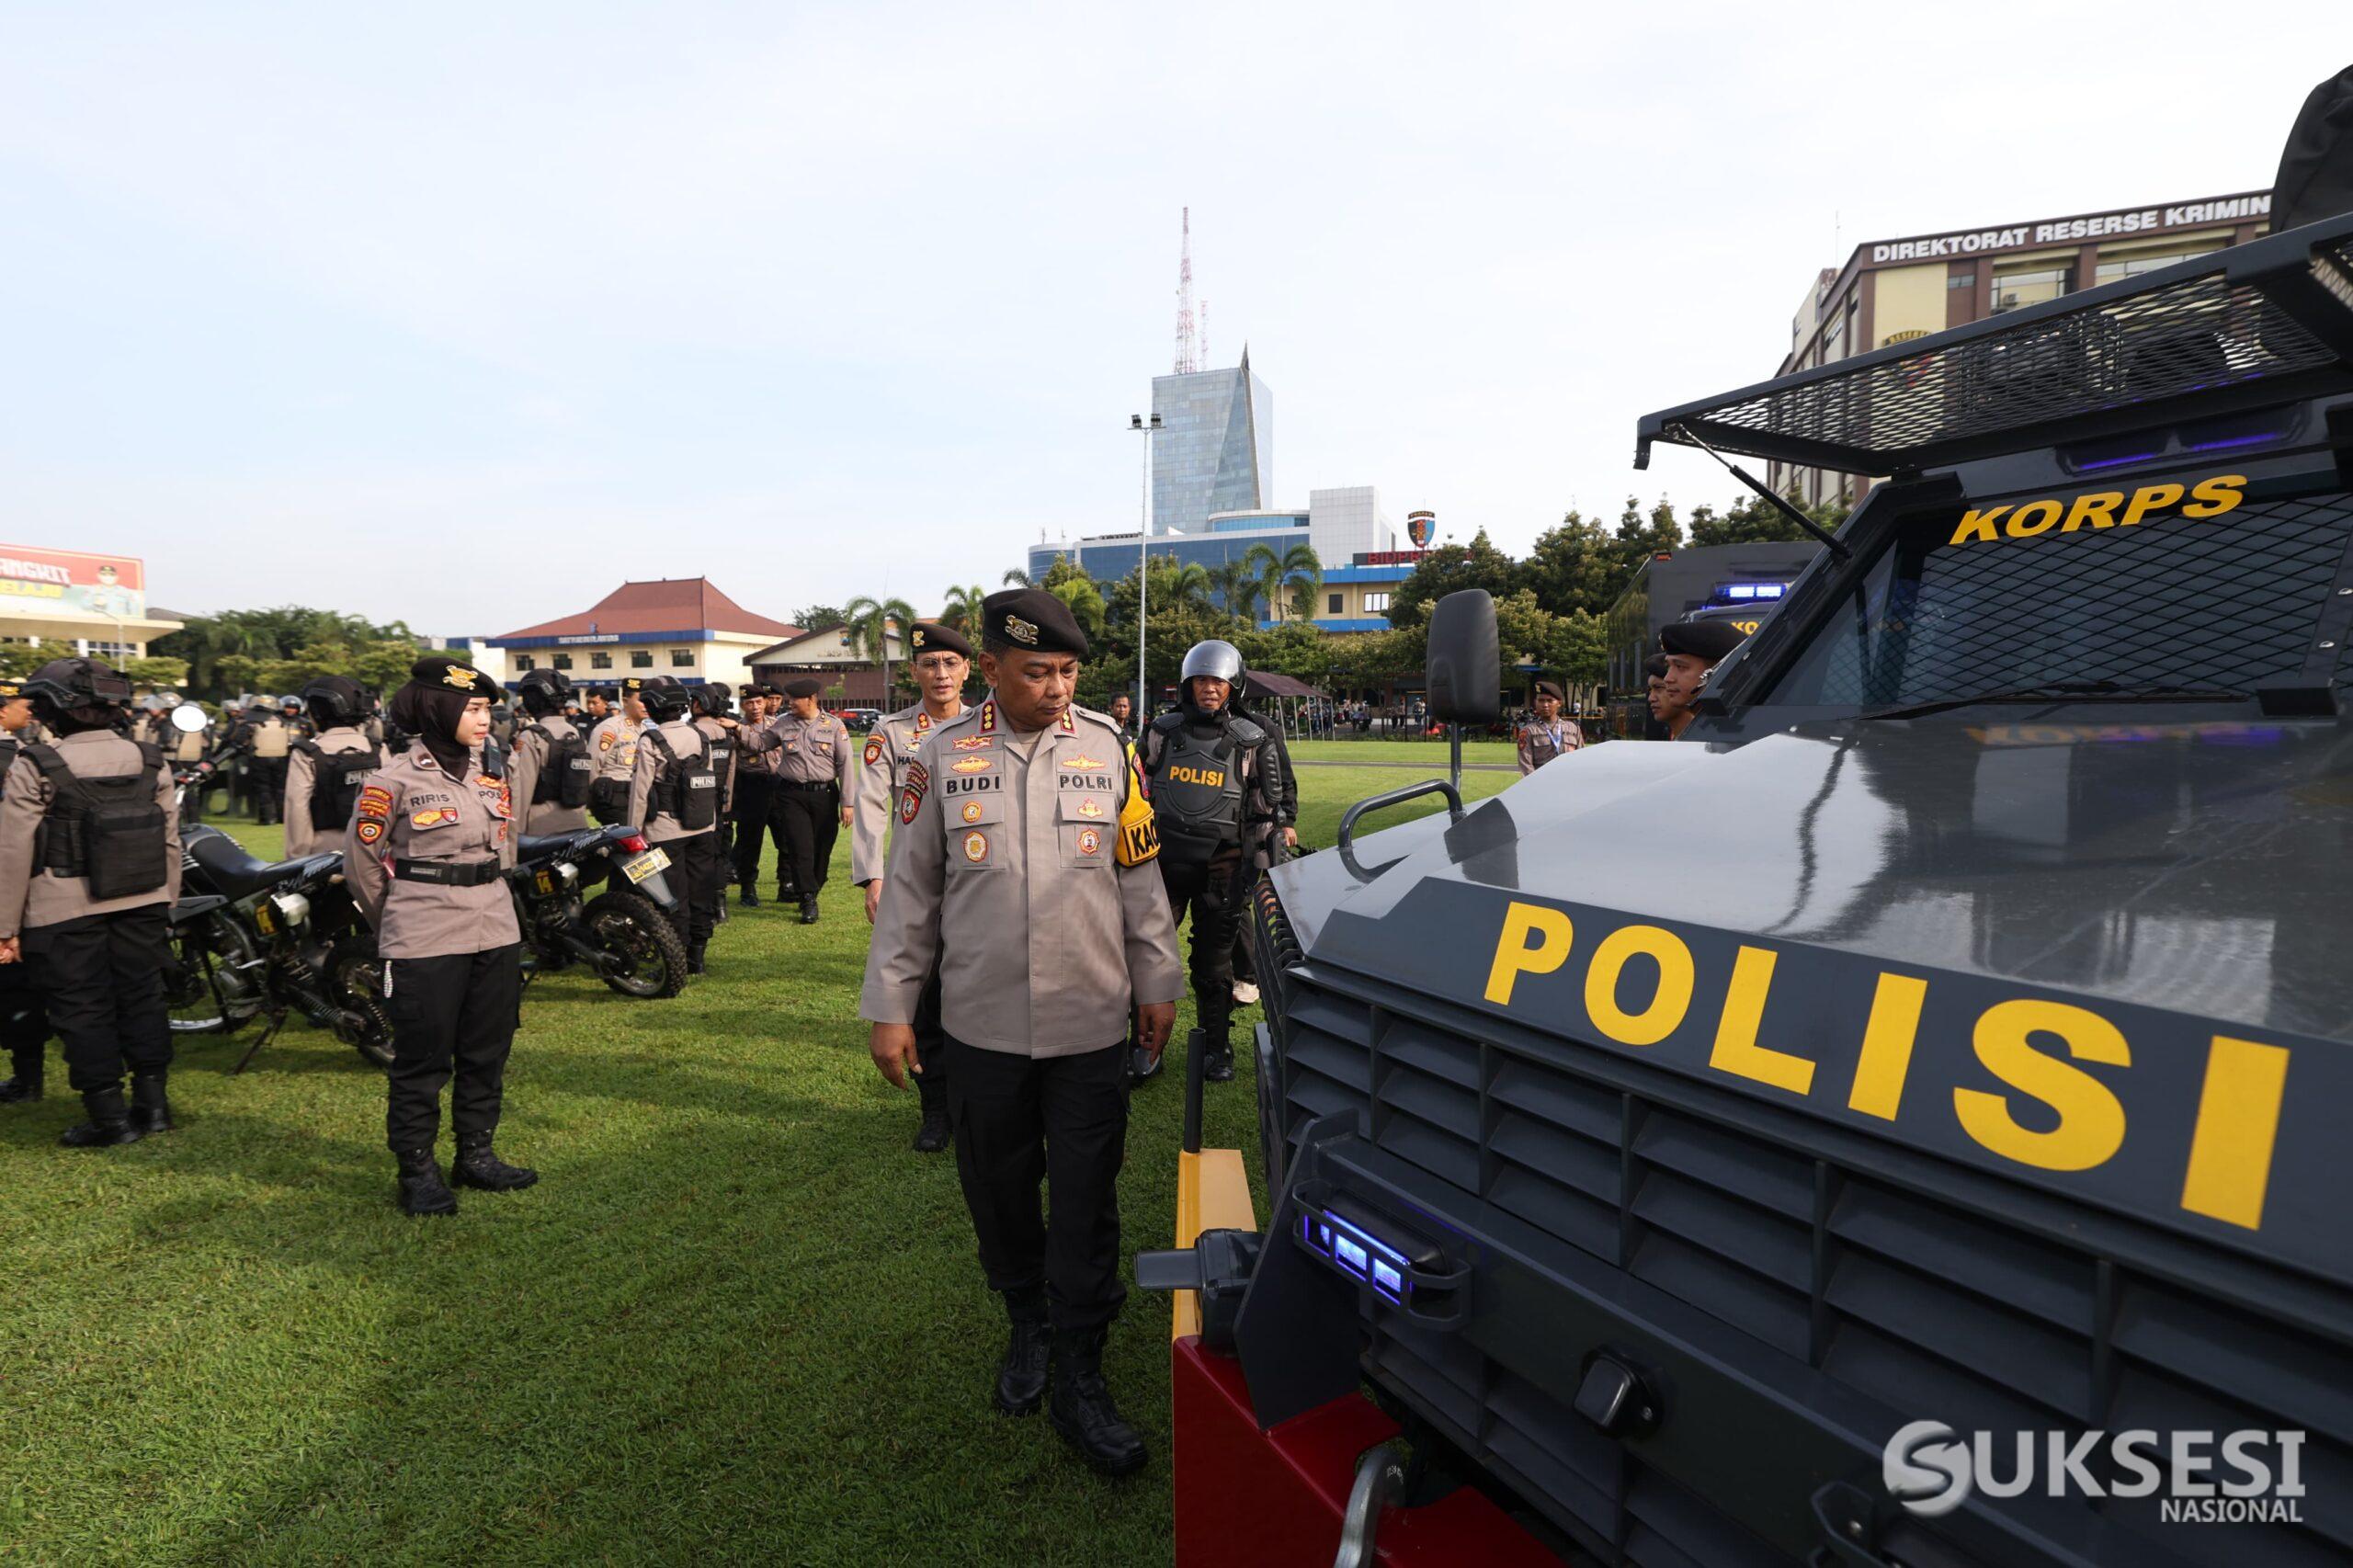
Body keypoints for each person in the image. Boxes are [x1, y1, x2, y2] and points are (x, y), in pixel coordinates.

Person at [862, 587, 1181, 1477]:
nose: (1054, 685)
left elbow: (1138, 877)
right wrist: (890, 1004)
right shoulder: (939, 754)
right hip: (982, 1026)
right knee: (998, 1190)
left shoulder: (1108, 749)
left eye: (1068, 670)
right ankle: (1026, 1325)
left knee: (1086, 1196)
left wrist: (1157, 979)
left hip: (1088, 1019)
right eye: (1036, 670)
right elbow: (914, 892)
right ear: (991, 669)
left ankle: (1081, 1363)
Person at [345, 656, 534, 1216]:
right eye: (474, 709)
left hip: (495, 924)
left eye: (487, 709)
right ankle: (417, 1170)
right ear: (440, 707)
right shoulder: (392, 781)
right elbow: (362, 865)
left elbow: (504, 848)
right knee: (423, 1060)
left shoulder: (489, 772)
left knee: (487, 1050)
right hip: (424, 933)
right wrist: (399, 921)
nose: (484, 719)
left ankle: (476, 1155)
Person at [0, 658, 180, 1146]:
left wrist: (5, 928)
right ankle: (154, 1108)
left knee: (83, 1010)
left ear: (54, 709)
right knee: (143, 999)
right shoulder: (150, 758)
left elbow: (13, 849)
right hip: (143, 902)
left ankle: (110, 1121)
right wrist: (167, 902)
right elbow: (170, 842)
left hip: (63, 908)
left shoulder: (36, 763)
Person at [1136, 640, 1288, 1085]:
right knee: (1145, 961)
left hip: (1222, 872)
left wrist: (1257, 865)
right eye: (1201, 680)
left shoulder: (1252, 741)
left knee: (1213, 967)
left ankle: (1216, 1048)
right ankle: (1143, 1046)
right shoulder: (1161, 731)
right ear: (1188, 683)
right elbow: (1135, 793)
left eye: (1218, 681)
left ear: (1233, 685)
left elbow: (1267, 810)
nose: (1209, 689)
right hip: (1161, 869)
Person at [850, 621, 972, 1153]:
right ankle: (936, 1110)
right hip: (919, 884)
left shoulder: (989, 725)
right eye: (930, 664)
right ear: (914, 672)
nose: (940, 674)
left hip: (979, 882)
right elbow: (871, 807)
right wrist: (873, 877)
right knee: (922, 998)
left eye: (950, 663)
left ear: (968, 669)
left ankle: (980, 1103)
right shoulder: (892, 733)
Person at [735, 676, 850, 924]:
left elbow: (845, 765)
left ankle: (814, 886)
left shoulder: (833, 725)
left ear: (811, 699)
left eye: (795, 700)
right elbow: (759, 743)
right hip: (791, 795)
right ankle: (808, 897)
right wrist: (737, 729)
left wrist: (847, 803)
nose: (790, 704)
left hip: (824, 795)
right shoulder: (783, 724)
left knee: (822, 849)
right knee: (800, 847)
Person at [1224, 674, 1299, 1011]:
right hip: (1213, 833)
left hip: (1256, 828)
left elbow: (1282, 777)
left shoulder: (1260, 726)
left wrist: (1288, 820)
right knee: (1226, 903)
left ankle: (1254, 976)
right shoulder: (1187, 727)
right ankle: (1237, 975)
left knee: (1259, 899)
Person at [0, 679, 52, 1105]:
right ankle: (27, 1076)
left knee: (15, 983)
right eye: (23, 705)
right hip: (15, 883)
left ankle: (26, 1079)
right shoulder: (17, 758)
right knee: (16, 983)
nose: (29, 712)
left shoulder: (20, 755)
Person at [282, 676, 384, 858]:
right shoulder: (379, 750)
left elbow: (297, 806)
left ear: (318, 712)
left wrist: (296, 858)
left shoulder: (307, 753)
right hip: (376, 847)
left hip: (325, 851)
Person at [508, 670, 594, 835]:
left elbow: (521, 794)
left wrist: (515, 838)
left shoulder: (531, 736)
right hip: (577, 824)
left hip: (540, 829)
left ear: (533, 698)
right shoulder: (576, 733)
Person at [730, 684, 781, 904]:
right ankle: (747, 889)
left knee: (786, 838)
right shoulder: (734, 728)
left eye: (759, 702)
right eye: (749, 703)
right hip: (751, 787)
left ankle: (787, 885)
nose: (755, 707)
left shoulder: (777, 725)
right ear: (742, 706)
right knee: (750, 842)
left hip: (779, 785)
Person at [1655, 620, 1749, 741]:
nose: (1667, 679)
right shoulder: (1713, 728)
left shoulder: (1731, 735)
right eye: (1669, 666)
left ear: (1719, 671)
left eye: (1680, 667)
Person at [586, 680, 648, 825]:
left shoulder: (645, 729)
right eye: (641, 700)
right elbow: (592, 767)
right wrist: (595, 799)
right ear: (625, 701)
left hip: (638, 798)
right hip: (614, 799)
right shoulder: (609, 728)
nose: (647, 705)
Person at [232, 699, 293, 824]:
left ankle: (267, 818)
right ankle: (282, 817)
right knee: (280, 789)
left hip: (259, 758)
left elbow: (239, 740)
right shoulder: (283, 721)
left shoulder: (250, 721)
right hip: (281, 758)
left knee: (263, 788)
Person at [1518, 679, 1579, 776]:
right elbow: (1526, 765)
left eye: (1550, 701)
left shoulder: (1573, 729)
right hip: (1541, 785)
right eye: (1541, 701)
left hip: (1568, 783)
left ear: (1559, 703)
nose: (1545, 705)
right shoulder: (1528, 731)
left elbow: (1581, 759)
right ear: (1535, 702)